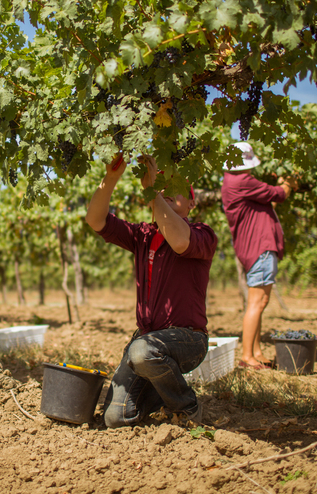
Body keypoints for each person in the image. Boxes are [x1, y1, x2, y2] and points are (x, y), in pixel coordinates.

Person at [85, 154, 218, 428]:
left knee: (142, 352)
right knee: (115, 418)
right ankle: (160, 392)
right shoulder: (142, 235)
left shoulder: (202, 233)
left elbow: (180, 242)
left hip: (187, 340)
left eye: (174, 189)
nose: (166, 192)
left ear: (191, 204)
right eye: (162, 188)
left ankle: (186, 406)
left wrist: (152, 191)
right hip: (147, 340)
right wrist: (110, 179)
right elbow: (95, 221)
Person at [220, 142, 298, 370]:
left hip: (253, 248)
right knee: (258, 301)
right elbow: (279, 194)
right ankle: (247, 357)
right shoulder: (243, 181)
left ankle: (256, 352)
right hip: (259, 248)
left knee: (258, 301)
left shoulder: (232, 181)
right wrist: (287, 183)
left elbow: (267, 199)